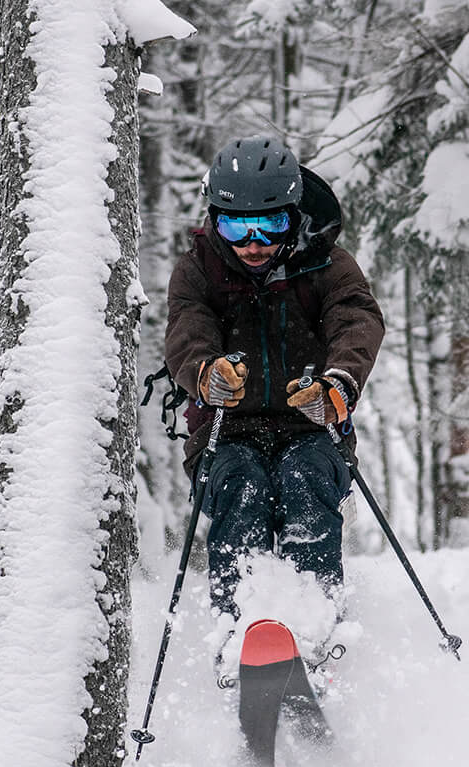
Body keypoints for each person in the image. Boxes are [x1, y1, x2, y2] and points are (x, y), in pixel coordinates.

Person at [165, 134, 385, 621]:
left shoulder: (327, 264)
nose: (253, 244)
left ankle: (314, 625)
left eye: (269, 225)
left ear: (293, 215)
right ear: (215, 222)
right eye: (236, 228)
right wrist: (206, 373)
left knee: (304, 481)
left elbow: (356, 321)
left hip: (313, 425)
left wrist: (338, 385)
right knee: (241, 487)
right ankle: (237, 628)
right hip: (225, 430)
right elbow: (187, 330)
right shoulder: (198, 270)